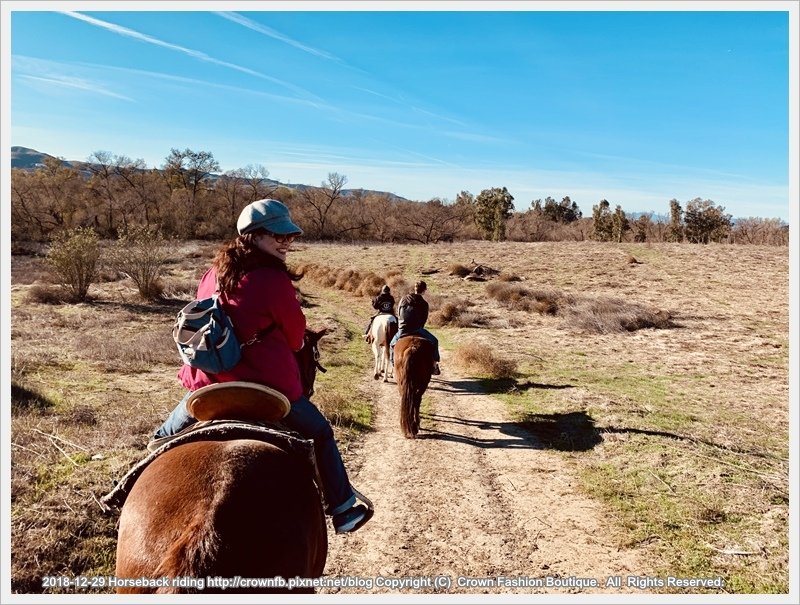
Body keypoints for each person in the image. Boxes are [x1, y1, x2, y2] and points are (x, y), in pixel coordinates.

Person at [152, 199, 370, 534]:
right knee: (321, 433)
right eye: (276, 235)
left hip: (209, 385)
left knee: (162, 437)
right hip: (267, 388)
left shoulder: (211, 275)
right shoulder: (272, 279)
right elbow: (297, 339)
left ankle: (127, 488)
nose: (286, 243)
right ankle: (342, 508)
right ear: (252, 236)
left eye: (289, 237)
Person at [390, 280, 441, 374]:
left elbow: (399, 313)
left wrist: (402, 325)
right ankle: (434, 365)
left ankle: (393, 365)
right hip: (417, 328)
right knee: (435, 341)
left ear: (415, 288)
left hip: (403, 329)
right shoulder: (424, 303)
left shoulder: (403, 299)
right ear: (424, 290)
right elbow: (423, 319)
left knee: (391, 344)